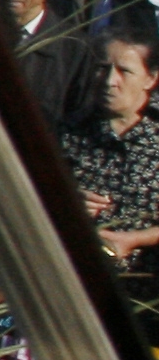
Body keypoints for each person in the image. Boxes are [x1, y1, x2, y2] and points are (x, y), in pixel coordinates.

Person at [60, 27, 159, 280]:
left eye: (125, 71)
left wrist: (134, 239)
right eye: (102, 68)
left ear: (151, 79)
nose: (109, 81)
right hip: (73, 276)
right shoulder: (68, 132)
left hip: (143, 286)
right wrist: (66, 203)